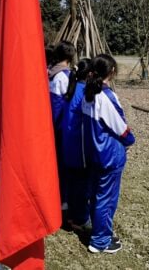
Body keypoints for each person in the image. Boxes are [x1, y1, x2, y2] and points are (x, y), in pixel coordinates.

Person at [82, 54, 135, 254]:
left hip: (94, 153)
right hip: (109, 156)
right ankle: (101, 240)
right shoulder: (106, 97)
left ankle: (98, 231)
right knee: (107, 198)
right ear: (111, 72)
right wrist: (131, 141)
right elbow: (121, 128)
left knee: (97, 195)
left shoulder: (88, 93)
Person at [60, 58, 92, 232]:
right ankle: (81, 218)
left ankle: (71, 214)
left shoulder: (71, 89)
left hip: (68, 144)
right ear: (89, 74)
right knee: (82, 185)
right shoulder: (84, 93)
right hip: (79, 147)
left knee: (72, 182)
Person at [48, 40, 76, 212]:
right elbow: (58, 106)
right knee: (61, 165)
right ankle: (61, 199)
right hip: (60, 128)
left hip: (53, 126)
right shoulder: (62, 76)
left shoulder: (51, 72)